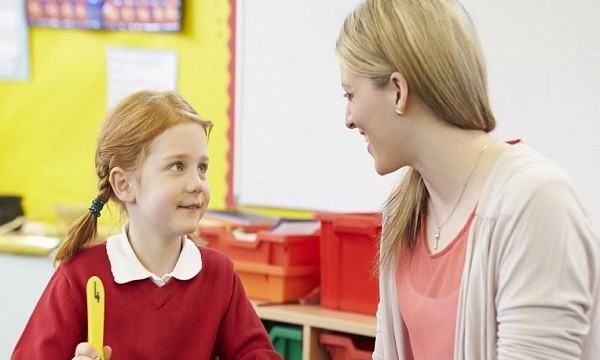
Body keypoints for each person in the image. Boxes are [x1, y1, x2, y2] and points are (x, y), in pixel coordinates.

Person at [335, 0, 600, 359]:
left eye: (351, 95)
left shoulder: (534, 200)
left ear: (398, 89)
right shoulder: (405, 213)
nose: (349, 119)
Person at [11, 90, 281, 360]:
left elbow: (256, 353)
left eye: (201, 167)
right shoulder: (80, 276)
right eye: (177, 166)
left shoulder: (219, 274)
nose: (197, 183)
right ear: (124, 185)